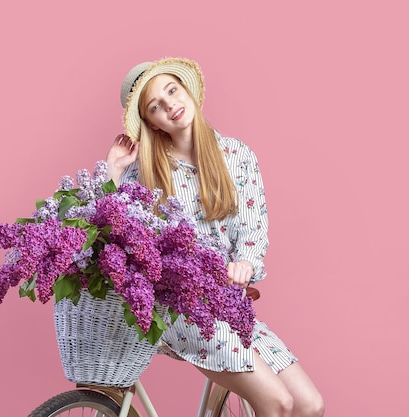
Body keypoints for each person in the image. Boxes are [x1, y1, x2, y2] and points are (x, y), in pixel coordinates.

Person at [105, 57, 324, 417]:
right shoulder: (146, 171)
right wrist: (113, 171)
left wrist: (246, 263)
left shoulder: (236, 155)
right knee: (278, 402)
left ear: (187, 90)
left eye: (171, 91)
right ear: (152, 123)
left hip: (227, 304)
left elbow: (253, 229)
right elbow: (111, 229)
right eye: (155, 107)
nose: (170, 105)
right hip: (181, 308)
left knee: (309, 405)